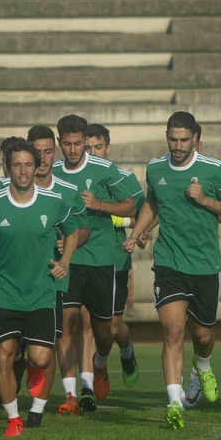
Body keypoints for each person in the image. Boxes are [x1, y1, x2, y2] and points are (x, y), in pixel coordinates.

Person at [124, 111, 221, 429]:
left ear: (196, 140)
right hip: (169, 262)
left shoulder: (214, 169)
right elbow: (154, 202)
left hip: (204, 264)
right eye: (172, 139)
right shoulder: (156, 167)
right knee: (173, 331)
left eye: (184, 140)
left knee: (203, 334)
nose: (177, 146)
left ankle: (203, 365)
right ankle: (175, 402)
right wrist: (139, 231)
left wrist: (204, 199)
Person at [0, 139, 80, 437]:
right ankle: (13, 419)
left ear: (38, 166)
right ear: (7, 166)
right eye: (16, 164)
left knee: (41, 358)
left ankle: (28, 362)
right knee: (2, 354)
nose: (23, 170)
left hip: (41, 292)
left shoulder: (53, 201)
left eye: (29, 164)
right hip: (4, 290)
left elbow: (73, 231)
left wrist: (65, 260)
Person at [52, 114, 139, 411]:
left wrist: (100, 205)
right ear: (59, 142)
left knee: (104, 330)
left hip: (102, 260)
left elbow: (131, 205)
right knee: (68, 323)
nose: (73, 149)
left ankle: (101, 363)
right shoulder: (51, 172)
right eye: (67, 143)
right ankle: (74, 393)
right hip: (69, 261)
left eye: (78, 143)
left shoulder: (104, 169)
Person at [28, 124, 88, 414]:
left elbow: (83, 230)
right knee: (14, 346)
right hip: (14, 277)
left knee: (58, 333)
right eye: (36, 152)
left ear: (55, 153)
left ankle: (64, 397)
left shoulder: (67, 190)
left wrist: (69, 245)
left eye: (48, 151)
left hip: (52, 276)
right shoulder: (8, 189)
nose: (42, 158)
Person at [84, 124, 141, 388]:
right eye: (88, 148)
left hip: (115, 260)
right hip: (83, 260)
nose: (93, 153)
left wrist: (119, 222)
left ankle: (125, 351)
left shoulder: (123, 177)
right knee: (83, 324)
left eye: (98, 147)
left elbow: (139, 216)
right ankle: (86, 382)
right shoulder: (75, 176)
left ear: (108, 148)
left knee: (113, 328)